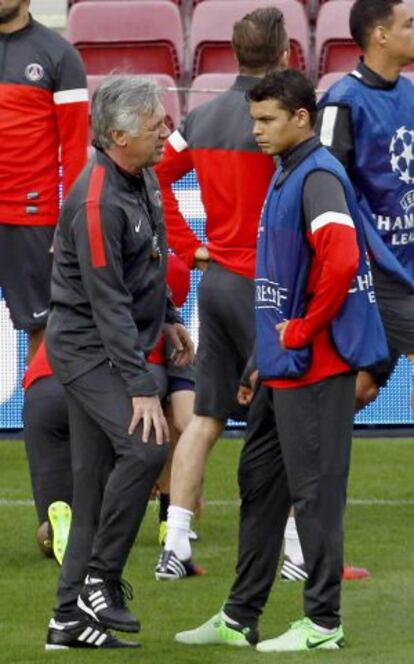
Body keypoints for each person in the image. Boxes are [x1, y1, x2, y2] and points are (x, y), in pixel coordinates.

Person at [173, 70, 388, 652]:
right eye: (254, 119)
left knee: (314, 493)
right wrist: (261, 360)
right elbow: (283, 282)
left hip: (317, 367)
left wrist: (302, 330)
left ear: (302, 118)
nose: (257, 131)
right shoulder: (289, 171)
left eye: (267, 121)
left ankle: (322, 622)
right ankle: (240, 616)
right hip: (284, 367)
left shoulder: (317, 175)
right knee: (260, 480)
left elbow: (341, 260)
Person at [44, 75, 194, 651]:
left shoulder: (144, 178)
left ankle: (67, 619)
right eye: (155, 124)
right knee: (148, 445)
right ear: (117, 136)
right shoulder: (95, 200)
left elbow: (150, 264)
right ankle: (100, 581)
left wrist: (174, 316)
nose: (166, 131)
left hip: (109, 345)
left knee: (94, 485)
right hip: (87, 351)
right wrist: (139, 385)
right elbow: (106, 300)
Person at [155, 5, 291, 580]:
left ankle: (175, 546)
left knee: (207, 418)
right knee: (289, 420)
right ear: (286, 54)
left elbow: (152, 179)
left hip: (216, 284)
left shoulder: (203, 118)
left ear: (233, 54)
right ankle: (295, 553)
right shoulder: (287, 121)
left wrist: (191, 249)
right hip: (272, 287)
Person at [317, 0, 414, 410]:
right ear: (381, 35)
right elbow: (320, 188)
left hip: (407, 261)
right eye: (410, 24)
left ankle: (293, 459)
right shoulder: (342, 102)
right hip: (375, 269)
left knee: (361, 388)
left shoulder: (409, 92)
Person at [0, 0, 88, 362]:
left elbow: (75, 152)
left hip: (31, 216)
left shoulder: (60, 55)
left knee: (43, 327)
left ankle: (38, 418)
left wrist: (69, 225)